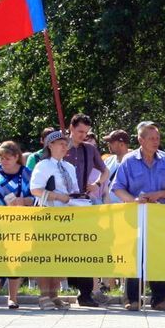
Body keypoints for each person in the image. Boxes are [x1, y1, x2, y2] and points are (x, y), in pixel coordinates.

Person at [111, 122, 165, 311]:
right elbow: (117, 188)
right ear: (140, 140)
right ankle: (132, 299)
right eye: (151, 138)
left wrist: (159, 194)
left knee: (159, 256)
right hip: (135, 218)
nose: (156, 142)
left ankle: (160, 299)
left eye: (157, 138)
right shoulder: (128, 161)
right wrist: (133, 200)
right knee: (135, 256)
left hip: (160, 219)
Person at [30, 129, 81, 311]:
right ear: (49, 145)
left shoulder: (69, 167)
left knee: (59, 255)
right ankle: (44, 294)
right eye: (59, 143)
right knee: (45, 254)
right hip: (47, 214)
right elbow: (35, 190)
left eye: (65, 143)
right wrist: (58, 197)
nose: (63, 146)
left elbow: (73, 190)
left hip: (65, 216)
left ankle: (54, 293)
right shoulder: (43, 166)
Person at [0, 141, 35, 309]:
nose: (4, 161)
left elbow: (36, 197)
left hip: (18, 222)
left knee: (14, 258)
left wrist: (23, 200)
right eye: (1, 158)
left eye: (8, 158)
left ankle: (13, 298)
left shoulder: (27, 173)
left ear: (16, 157)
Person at [62, 114, 109, 305]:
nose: (83, 135)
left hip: (82, 202)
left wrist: (97, 183)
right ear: (71, 128)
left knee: (84, 247)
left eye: (86, 132)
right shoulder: (59, 145)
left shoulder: (89, 149)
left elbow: (105, 171)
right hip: (61, 203)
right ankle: (51, 292)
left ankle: (86, 292)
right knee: (61, 248)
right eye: (80, 131)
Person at [101, 129, 133, 204]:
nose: (108, 145)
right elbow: (103, 184)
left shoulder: (134, 162)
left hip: (126, 209)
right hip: (107, 208)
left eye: (111, 142)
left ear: (121, 144)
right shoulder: (108, 160)